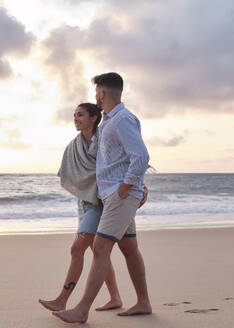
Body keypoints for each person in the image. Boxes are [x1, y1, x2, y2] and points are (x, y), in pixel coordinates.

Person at [53, 73, 152, 324]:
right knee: (129, 248)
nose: (95, 95)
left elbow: (140, 156)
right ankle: (143, 302)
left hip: (120, 195)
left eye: (97, 91)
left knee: (99, 247)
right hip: (112, 195)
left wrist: (127, 187)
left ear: (102, 94)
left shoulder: (122, 120)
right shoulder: (109, 121)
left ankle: (81, 309)